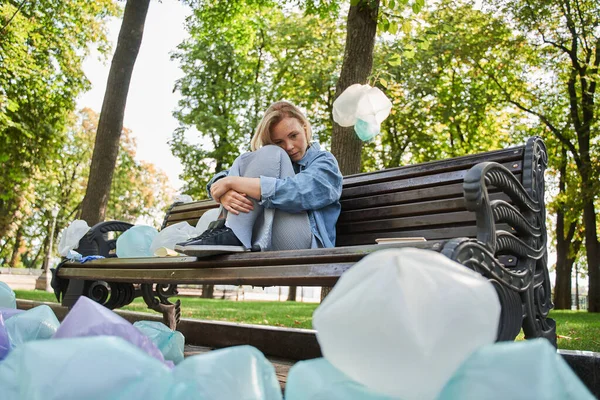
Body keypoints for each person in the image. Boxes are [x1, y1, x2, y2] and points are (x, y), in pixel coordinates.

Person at [174, 101, 343, 257]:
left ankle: (233, 233)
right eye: (279, 141)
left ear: (305, 129)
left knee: (271, 153)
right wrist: (224, 194)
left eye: (293, 135)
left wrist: (233, 182)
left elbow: (298, 192)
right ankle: (226, 230)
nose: (289, 147)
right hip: (266, 237)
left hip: (308, 245)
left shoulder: (324, 161)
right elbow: (221, 178)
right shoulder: (274, 163)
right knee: (245, 159)